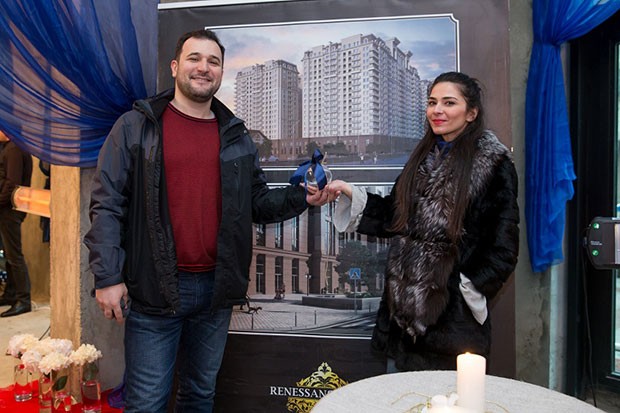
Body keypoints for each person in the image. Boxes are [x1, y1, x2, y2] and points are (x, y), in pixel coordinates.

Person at [84, 29, 328, 412]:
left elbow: (257, 201)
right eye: (194, 58)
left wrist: (302, 196)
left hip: (216, 291)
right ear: (175, 66)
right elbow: (107, 204)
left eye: (213, 61)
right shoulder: (136, 126)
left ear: (221, 72)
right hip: (153, 290)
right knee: (146, 402)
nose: (204, 67)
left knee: (199, 396)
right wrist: (108, 276)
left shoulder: (235, 135)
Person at [327, 71, 519, 371]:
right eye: (432, 102)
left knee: (447, 395)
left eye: (449, 102)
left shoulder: (493, 166)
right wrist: (349, 192)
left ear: (471, 113)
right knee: (399, 393)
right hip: (401, 323)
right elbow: (395, 216)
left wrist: (465, 289)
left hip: (451, 326)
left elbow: (504, 247)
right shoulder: (422, 159)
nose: (437, 110)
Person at [0, 130, 33, 317]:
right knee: (8, 253)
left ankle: (23, 300)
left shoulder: (14, 149)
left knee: (14, 255)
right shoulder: (9, 147)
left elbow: (12, 183)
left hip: (10, 209)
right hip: (6, 208)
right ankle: (11, 294)